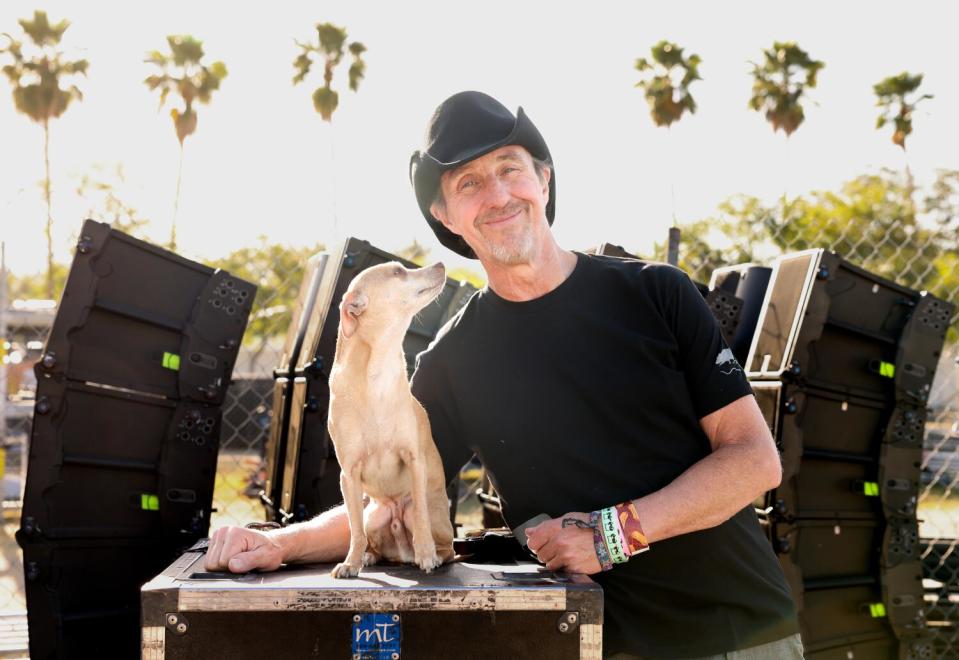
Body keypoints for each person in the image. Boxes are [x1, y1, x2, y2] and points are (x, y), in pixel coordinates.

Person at [205, 91, 803, 659]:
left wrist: (610, 535)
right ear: (446, 215)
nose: (497, 194)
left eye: (510, 168)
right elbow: (391, 501)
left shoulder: (656, 294)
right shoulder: (453, 359)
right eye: (468, 182)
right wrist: (279, 544)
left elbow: (754, 460)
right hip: (586, 640)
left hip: (736, 632)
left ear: (543, 180)